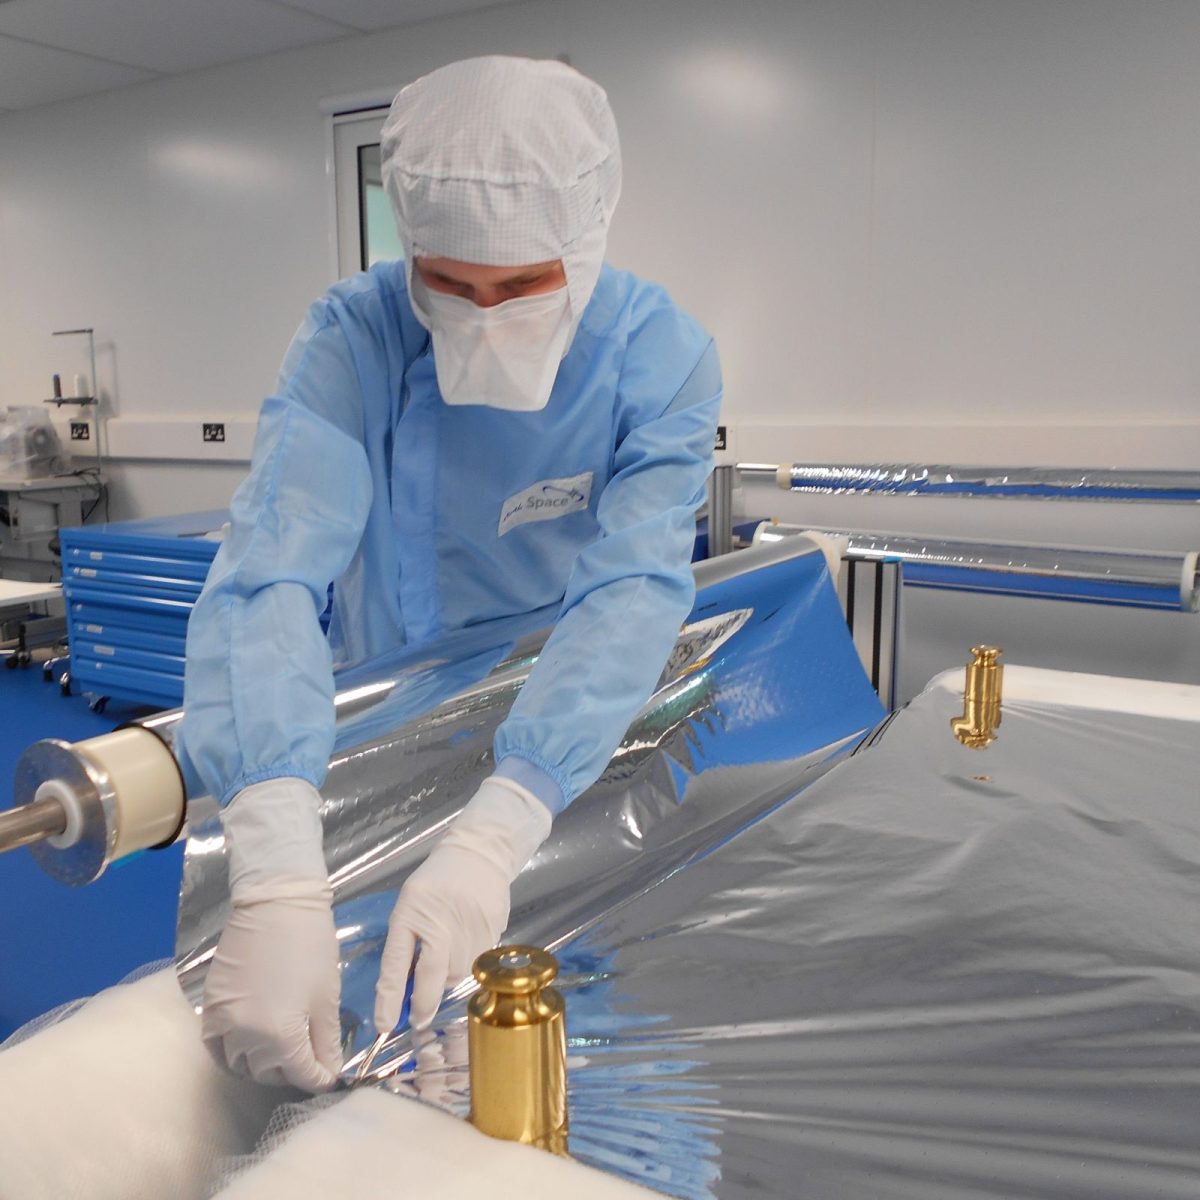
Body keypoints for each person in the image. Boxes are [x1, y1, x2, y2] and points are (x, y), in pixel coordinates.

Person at [179, 55, 722, 1093]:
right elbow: (269, 577)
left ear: (588, 237)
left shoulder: (660, 358)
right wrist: (277, 862)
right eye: (449, 283)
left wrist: (501, 829)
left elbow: (630, 594)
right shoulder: (353, 335)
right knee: (338, 1049)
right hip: (370, 727)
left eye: (521, 286)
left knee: (539, 1041)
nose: (482, 314)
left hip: (562, 737)